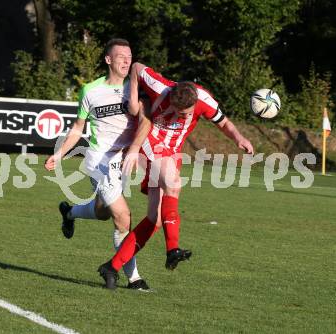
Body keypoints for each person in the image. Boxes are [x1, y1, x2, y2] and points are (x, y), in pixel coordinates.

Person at [97, 62, 254, 289]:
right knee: (173, 184)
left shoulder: (205, 100)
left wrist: (238, 138)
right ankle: (172, 250)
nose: (181, 116)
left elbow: (224, 123)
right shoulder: (161, 87)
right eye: (178, 111)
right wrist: (133, 96)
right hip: (150, 143)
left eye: (186, 114)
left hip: (171, 152)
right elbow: (136, 67)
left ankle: (111, 267)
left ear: (195, 104)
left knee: (155, 219)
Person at [44, 39, 152, 291]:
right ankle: (133, 278)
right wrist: (59, 154)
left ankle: (69, 213)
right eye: (121, 56)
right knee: (122, 217)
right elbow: (78, 129)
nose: (127, 60)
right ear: (108, 60)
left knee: (104, 212)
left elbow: (146, 121)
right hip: (99, 158)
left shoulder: (135, 89)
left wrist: (135, 149)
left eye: (129, 56)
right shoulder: (90, 91)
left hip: (124, 160)